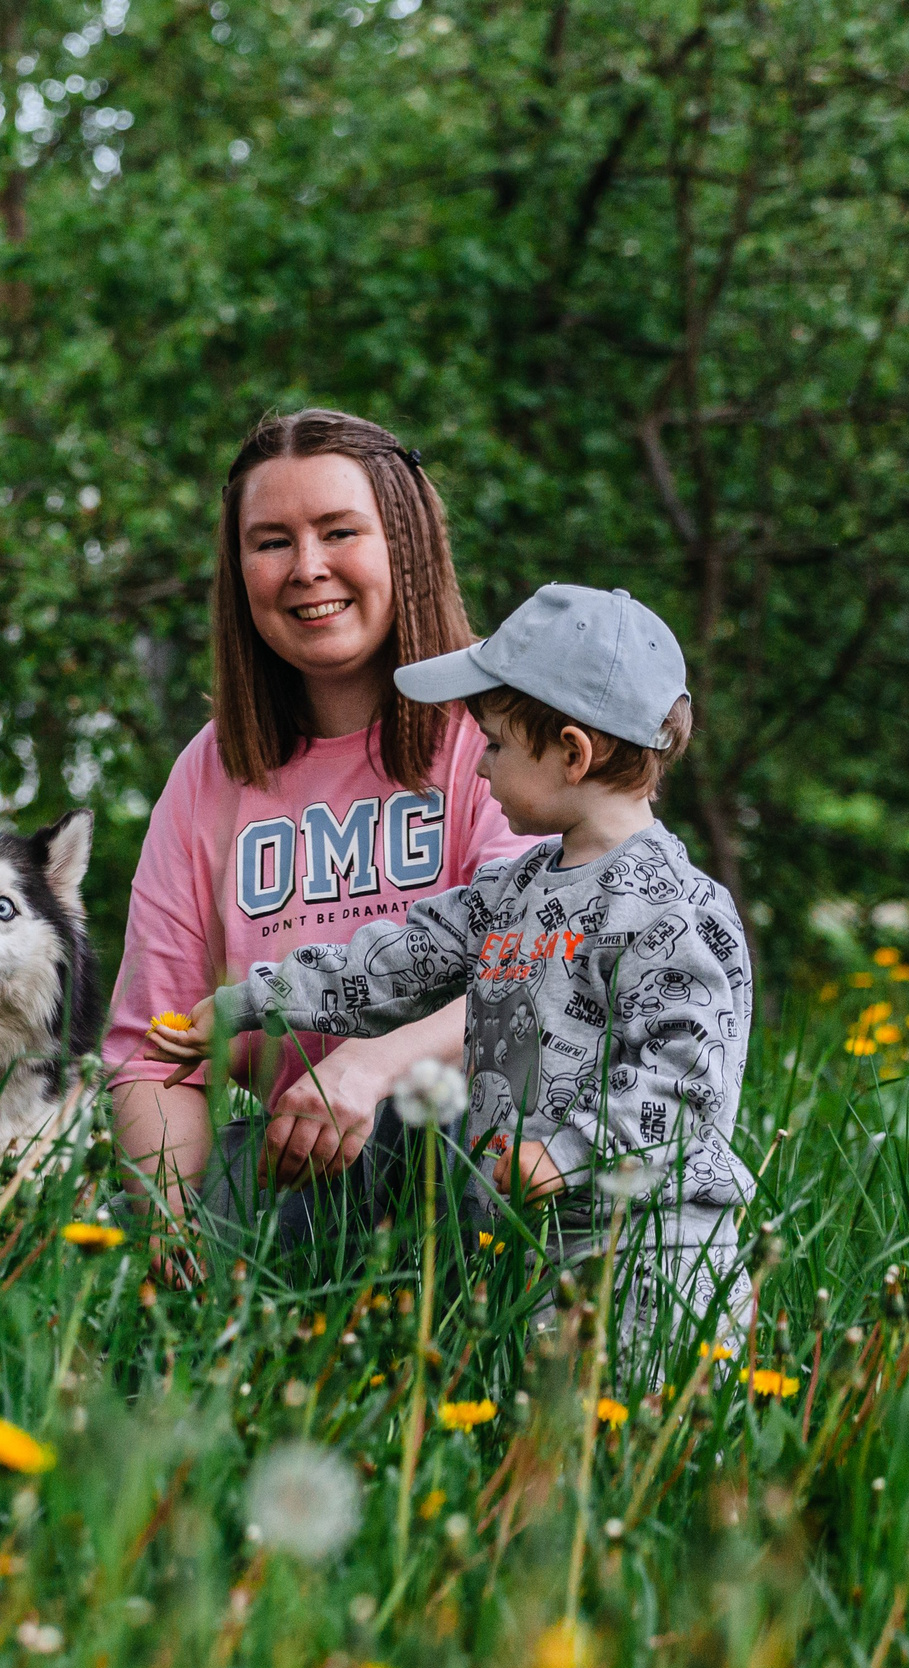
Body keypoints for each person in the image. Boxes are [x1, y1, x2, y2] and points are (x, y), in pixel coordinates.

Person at [145, 583, 757, 1345]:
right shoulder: (517, 889)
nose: (480, 769)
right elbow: (396, 960)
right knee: (529, 1434)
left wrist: (565, 1158)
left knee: (632, 1438)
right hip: (522, 1245)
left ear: (573, 752)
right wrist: (258, 998)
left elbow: (686, 1082)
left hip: (647, 1257)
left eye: (496, 745)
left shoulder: (674, 910)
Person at [102, 410, 535, 1253]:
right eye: (270, 542)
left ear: (403, 543)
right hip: (305, 1176)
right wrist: (174, 1226)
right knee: (104, 1249)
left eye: (339, 531)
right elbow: (152, 1057)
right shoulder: (210, 773)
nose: (307, 568)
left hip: (495, 1155)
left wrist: (372, 1066)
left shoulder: (498, 726)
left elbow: (540, 966)